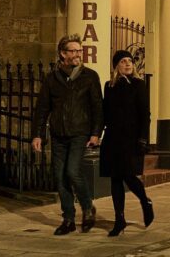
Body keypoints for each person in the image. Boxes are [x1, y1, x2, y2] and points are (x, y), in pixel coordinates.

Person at [31, 35, 103, 235]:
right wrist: (37, 135)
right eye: (74, 51)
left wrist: (96, 133)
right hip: (58, 134)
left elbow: (98, 107)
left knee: (72, 171)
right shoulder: (52, 79)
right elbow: (42, 109)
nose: (78, 54)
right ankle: (68, 218)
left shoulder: (90, 76)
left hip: (80, 133)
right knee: (60, 177)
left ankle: (88, 208)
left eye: (80, 51)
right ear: (63, 54)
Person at [101, 48, 154, 235]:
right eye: (123, 61)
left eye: (130, 61)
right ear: (116, 66)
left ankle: (145, 201)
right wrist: (96, 133)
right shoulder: (109, 86)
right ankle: (119, 219)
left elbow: (145, 114)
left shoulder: (139, 85)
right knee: (115, 179)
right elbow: (105, 113)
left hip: (132, 139)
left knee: (129, 176)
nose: (127, 64)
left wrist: (143, 138)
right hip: (113, 139)